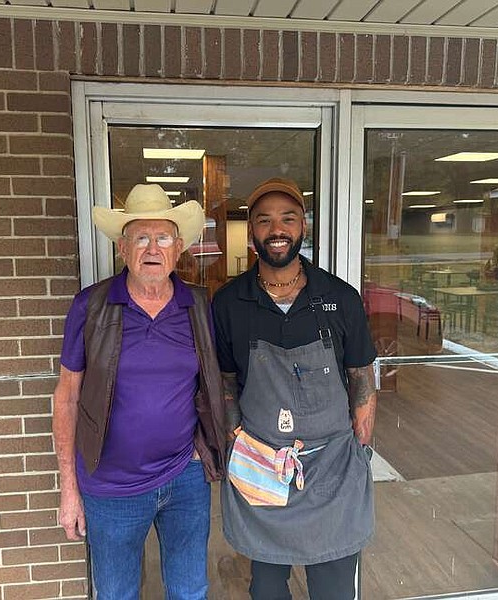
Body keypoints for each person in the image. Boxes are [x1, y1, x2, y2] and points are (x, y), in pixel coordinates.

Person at [52, 183, 227, 600]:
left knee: (190, 591)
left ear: (179, 246)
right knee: (117, 595)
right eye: (140, 237)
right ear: (123, 248)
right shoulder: (91, 307)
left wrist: (209, 448)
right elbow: (67, 397)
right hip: (110, 487)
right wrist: (69, 489)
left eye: (162, 237)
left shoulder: (197, 306)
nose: (153, 247)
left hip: (184, 477)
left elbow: (211, 386)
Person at [212, 177, 379, 600]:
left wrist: (359, 451)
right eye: (264, 220)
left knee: (334, 586)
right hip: (262, 464)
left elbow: (361, 377)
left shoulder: (340, 298)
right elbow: (227, 381)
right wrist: (237, 444)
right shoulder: (230, 302)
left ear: (303, 226)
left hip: (332, 466)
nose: (277, 229)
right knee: (266, 586)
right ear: (251, 231)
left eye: (287, 218)